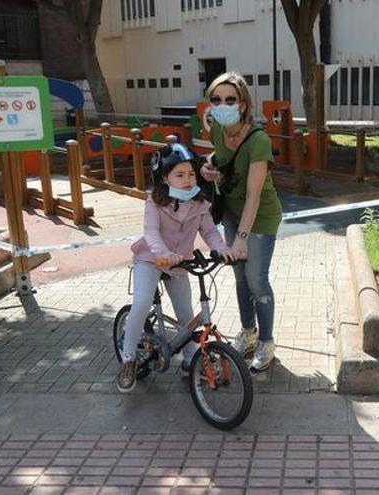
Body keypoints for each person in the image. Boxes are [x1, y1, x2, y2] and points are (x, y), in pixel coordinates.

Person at [116, 144, 231, 393]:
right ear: (163, 178)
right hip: (151, 258)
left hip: (179, 262)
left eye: (191, 174)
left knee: (186, 314)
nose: (188, 180)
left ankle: (191, 359)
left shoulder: (200, 203)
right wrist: (163, 254)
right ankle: (128, 358)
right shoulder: (154, 203)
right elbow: (151, 232)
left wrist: (221, 249)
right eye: (179, 175)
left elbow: (209, 230)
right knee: (143, 302)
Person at [199, 72, 283, 372]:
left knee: (256, 279)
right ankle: (248, 332)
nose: (223, 105)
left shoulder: (258, 140)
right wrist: (212, 170)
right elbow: (223, 165)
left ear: (244, 105)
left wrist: (241, 237)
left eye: (230, 100)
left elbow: (254, 194)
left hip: (260, 217)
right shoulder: (217, 131)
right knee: (238, 278)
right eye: (216, 99)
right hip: (232, 213)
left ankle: (267, 341)